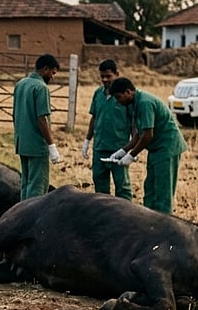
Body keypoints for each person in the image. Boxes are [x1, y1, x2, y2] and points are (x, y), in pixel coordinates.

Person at [106, 77, 188, 214]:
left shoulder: (145, 103)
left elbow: (148, 135)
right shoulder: (133, 103)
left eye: (119, 97)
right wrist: (123, 151)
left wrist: (131, 156)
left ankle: (163, 223)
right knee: (150, 187)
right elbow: (138, 133)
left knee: (163, 189)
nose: (118, 101)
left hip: (167, 147)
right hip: (155, 148)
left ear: (128, 92)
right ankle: (149, 218)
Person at [12, 53, 62, 200]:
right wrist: (51, 145)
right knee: (38, 186)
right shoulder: (41, 88)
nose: (52, 77)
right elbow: (42, 119)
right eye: (52, 73)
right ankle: (32, 219)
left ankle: (20, 215)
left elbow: (14, 115)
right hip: (36, 145)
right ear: (45, 69)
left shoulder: (21, 84)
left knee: (26, 183)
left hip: (22, 143)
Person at [81, 60, 133, 200]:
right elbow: (94, 117)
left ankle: (124, 218)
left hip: (119, 148)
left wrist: (132, 148)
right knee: (100, 189)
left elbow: (133, 122)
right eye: (102, 76)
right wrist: (87, 140)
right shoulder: (98, 94)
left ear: (116, 74)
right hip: (99, 148)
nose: (105, 79)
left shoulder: (125, 96)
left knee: (122, 188)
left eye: (108, 76)